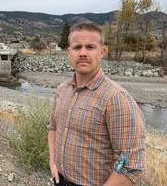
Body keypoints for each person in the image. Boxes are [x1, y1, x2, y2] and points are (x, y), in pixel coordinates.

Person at [47, 21, 145, 186]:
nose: (83, 53)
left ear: (102, 52)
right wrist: (53, 162)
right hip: (60, 179)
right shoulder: (62, 90)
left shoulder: (116, 98)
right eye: (77, 47)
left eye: (90, 47)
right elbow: (53, 127)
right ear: (68, 52)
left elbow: (132, 165)